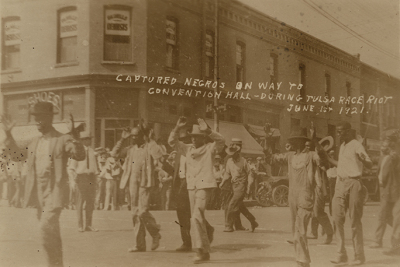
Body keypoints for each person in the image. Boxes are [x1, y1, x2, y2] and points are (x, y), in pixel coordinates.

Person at [2, 102, 85, 267]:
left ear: (49, 118)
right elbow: (17, 156)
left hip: (55, 191)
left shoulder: (63, 139)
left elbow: (79, 155)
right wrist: (8, 134)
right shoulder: (34, 141)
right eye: (35, 118)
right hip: (38, 194)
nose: (37, 122)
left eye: (41, 118)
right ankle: (56, 264)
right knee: (51, 233)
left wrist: (75, 135)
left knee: (46, 228)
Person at [264, 125, 325, 267]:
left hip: (305, 196)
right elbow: (270, 159)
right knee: (295, 231)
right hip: (292, 197)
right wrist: (267, 138)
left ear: (301, 142)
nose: (291, 143)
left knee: (300, 230)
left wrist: (315, 141)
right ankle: (302, 262)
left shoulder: (311, 155)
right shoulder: (290, 156)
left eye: (294, 140)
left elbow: (322, 159)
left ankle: (303, 262)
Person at [168, 117, 225, 263]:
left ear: (203, 138)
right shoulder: (187, 149)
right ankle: (204, 251)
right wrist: (177, 128)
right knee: (196, 217)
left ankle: (201, 250)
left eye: (197, 137)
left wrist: (209, 131)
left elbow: (221, 141)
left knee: (196, 215)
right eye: (192, 137)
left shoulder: (210, 148)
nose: (193, 139)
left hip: (205, 185)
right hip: (191, 186)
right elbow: (172, 142)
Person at [111, 124, 163, 252]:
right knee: (135, 214)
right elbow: (114, 154)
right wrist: (122, 139)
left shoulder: (148, 147)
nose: (133, 138)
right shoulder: (130, 149)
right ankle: (140, 245)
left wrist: (150, 139)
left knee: (142, 211)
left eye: (136, 136)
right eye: (132, 136)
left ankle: (155, 233)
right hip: (132, 184)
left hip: (145, 183)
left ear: (142, 136)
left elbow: (158, 155)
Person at [328, 121, 372, 265]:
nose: (339, 134)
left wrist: (364, 160)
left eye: (341, 131)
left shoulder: (356, 145)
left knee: (354, 221)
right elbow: (341, 164)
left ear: (348, 131)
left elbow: (368, 163)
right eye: (338, 131)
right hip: (340, 183)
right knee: (337, 218)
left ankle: (359, 255)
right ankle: (341, 254)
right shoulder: (342, 146)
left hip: (354, 183)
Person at [220, 140, 259, 233]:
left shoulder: (243, 161)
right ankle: (253, 221)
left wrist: (249, 186)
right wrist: (222, 182)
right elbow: (227, 173)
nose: (232, 155)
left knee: (232, 204)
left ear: (238, 152)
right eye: (230, 153)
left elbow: (250, 174)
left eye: (233, 153)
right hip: (234, 186)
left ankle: (228, 226)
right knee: (240, 207)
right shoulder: (229, 161)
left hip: (241, 186)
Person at [370, 139, 399, 248]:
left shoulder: (393, 158)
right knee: (385, 216)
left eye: (385, 146)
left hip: (392, 191)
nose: (382, 148)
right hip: (384, 190)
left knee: (387, 216)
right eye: (382, 146)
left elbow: (395, 159)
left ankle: (379, 240)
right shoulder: (382, 158)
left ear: (390, 148)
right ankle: (378, 240)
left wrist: (393, 154)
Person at [68, 131, 99, 232]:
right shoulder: (77, 151)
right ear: (82, 141)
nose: (89, 141)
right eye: (87, 139)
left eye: (89, 139)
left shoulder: (91, 151)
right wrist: (73, 181)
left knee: (90, 202)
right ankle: (80, 225)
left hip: (91, 178)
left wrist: (96, 177)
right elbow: (71, 168)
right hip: (81, 178)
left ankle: (88, 225)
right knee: (80, 202)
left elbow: (94, 166)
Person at [171, 131, 192, 252]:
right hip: (181, 184)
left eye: (185, 140)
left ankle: (187, 242)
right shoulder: (178, 153)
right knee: (183, 212)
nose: (183, 142)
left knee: (189, 212)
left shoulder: (192, 152)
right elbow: (176, 172)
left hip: (190, 183)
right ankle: (186, 242)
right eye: (181, 140)